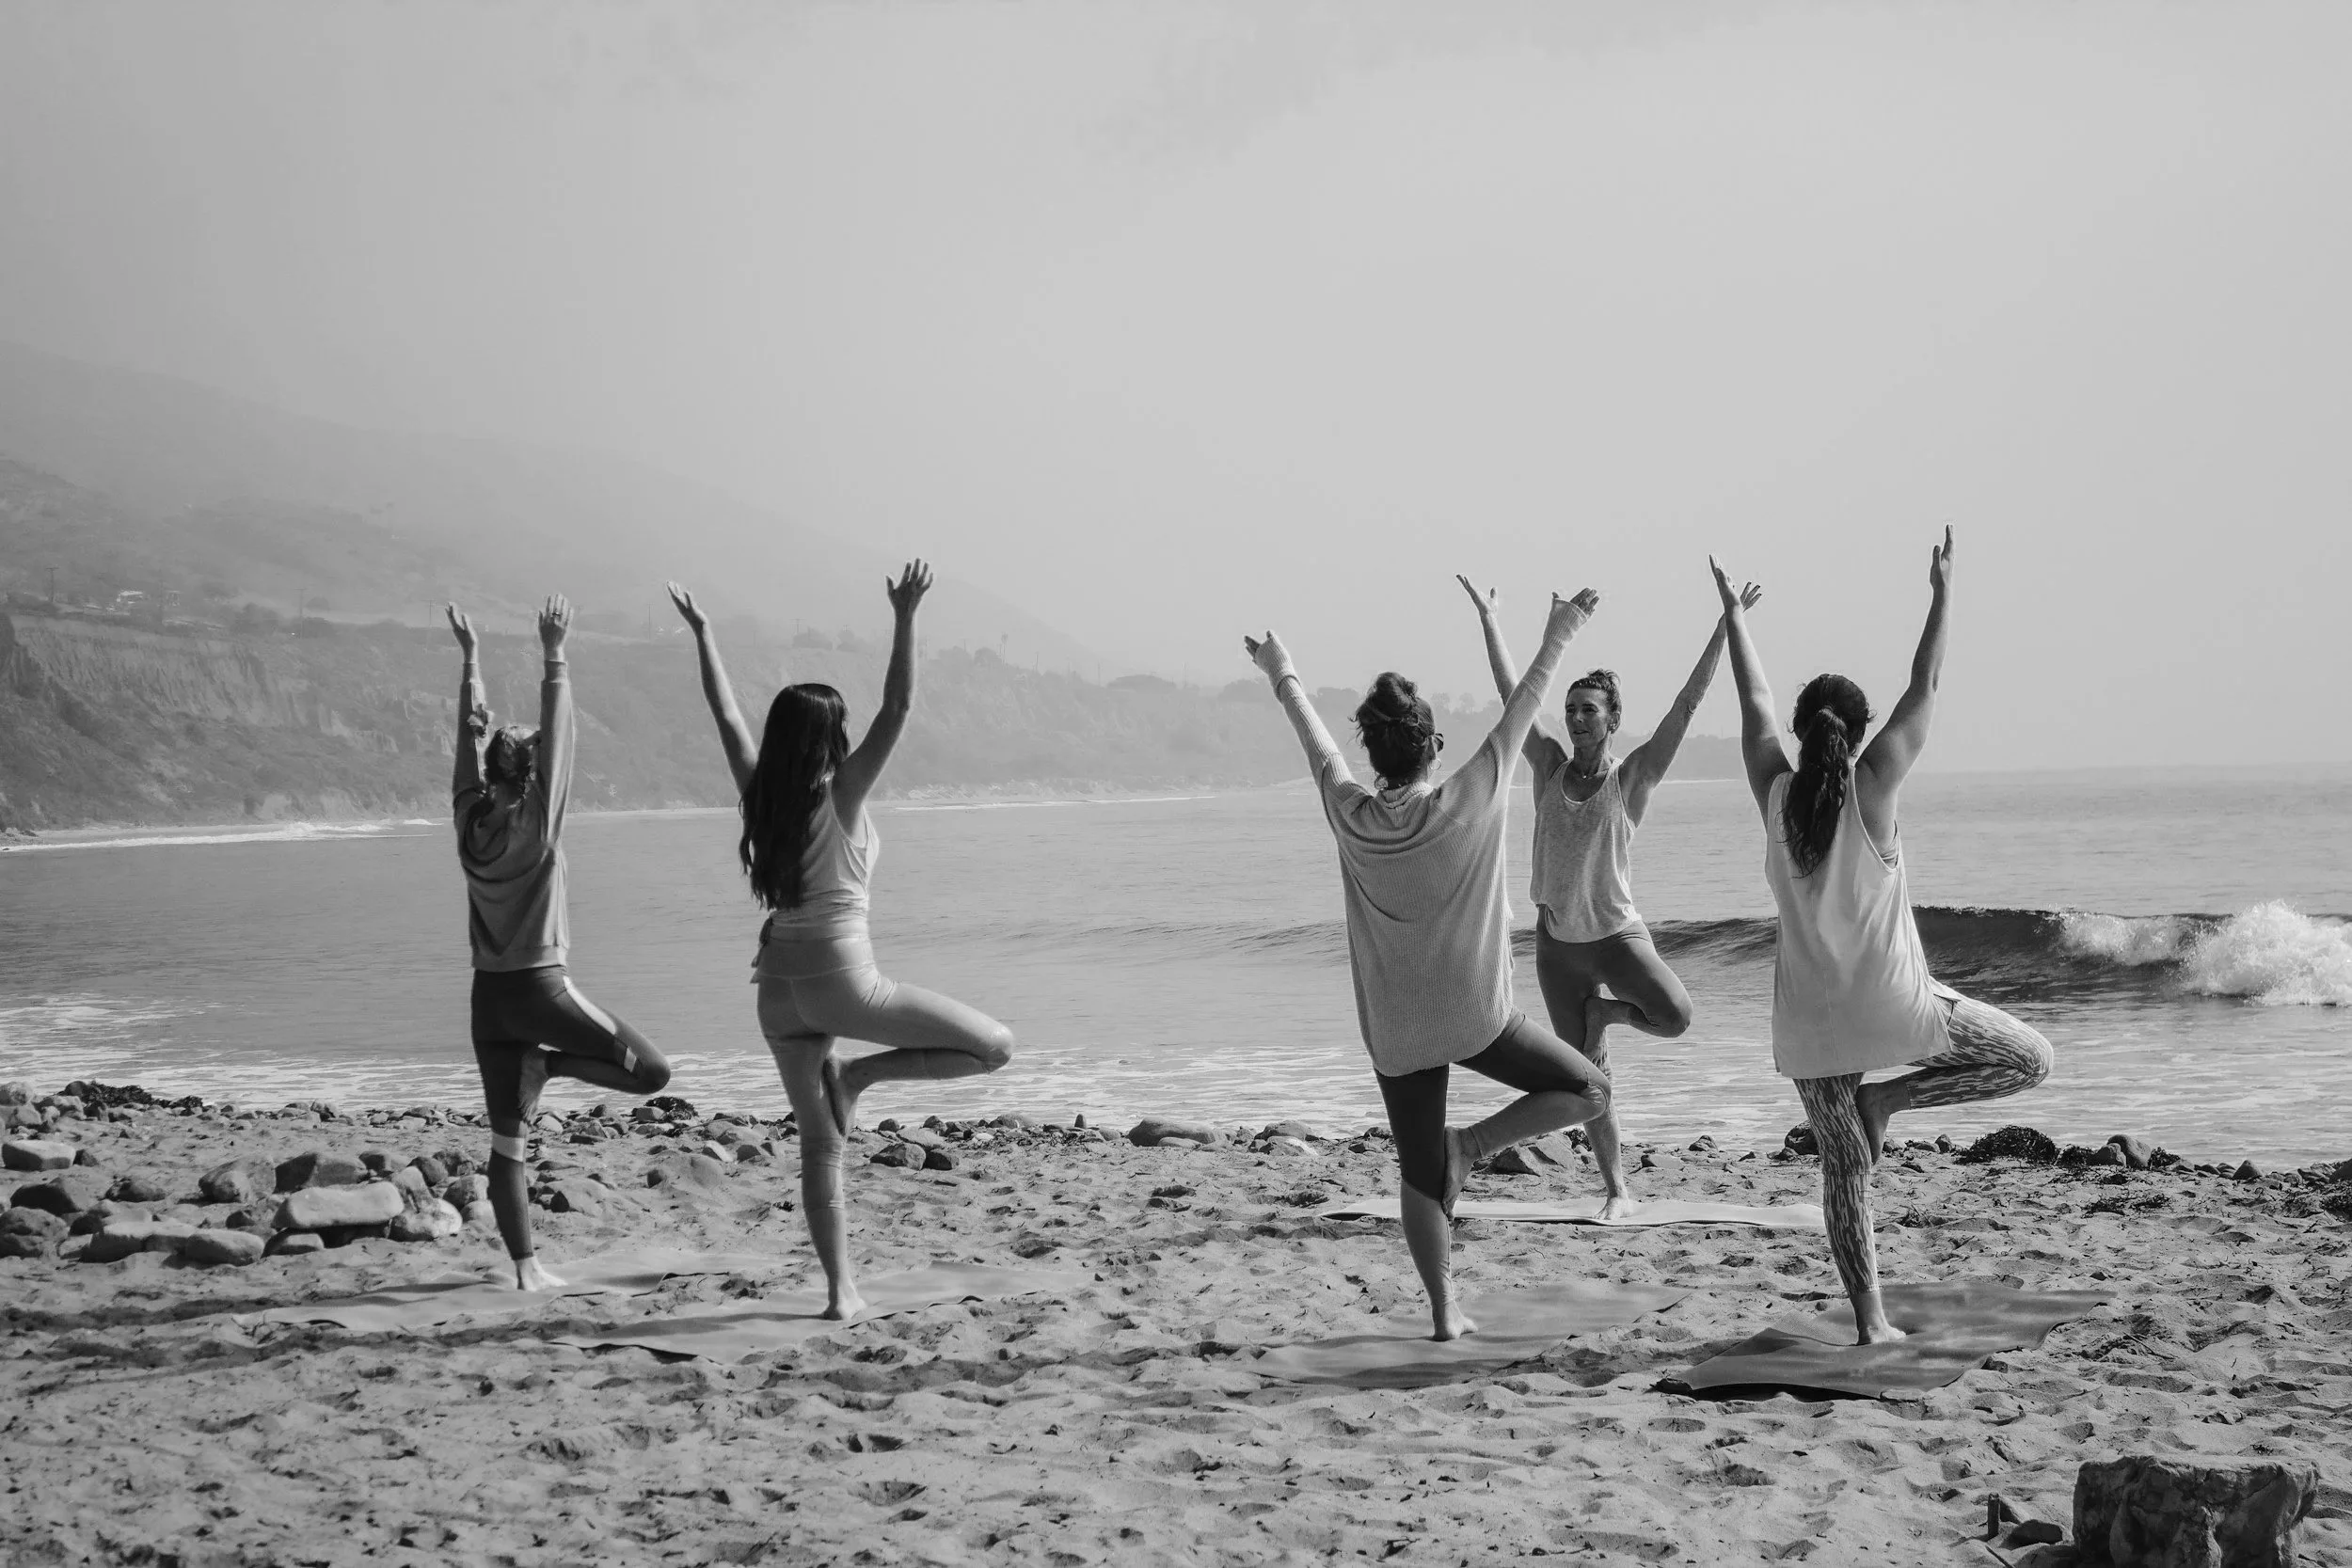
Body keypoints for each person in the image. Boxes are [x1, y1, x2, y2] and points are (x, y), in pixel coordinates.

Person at [1246, 588, 1613, 1342]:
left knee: (1417, 1174)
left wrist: (1281, 670)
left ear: (1375, 756)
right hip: (1477, 1016)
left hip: (1399, 1031)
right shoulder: (1469, 797)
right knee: (1592, 1090)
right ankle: (1472, 1146)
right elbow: (1528, 703)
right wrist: (1562, 629)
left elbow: (1315, 741)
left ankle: (1446, 1314)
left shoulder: (1348, 811)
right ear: (1434, 745)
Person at [1711, 530, 2052, 1343]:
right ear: (1860, 733)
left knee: (1845, 1171)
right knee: (2031, 1059)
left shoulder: (1774, 794)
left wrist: (1735, 619)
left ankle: (1872, 1324)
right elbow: (1926, 681)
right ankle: (1892, 1095)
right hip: (1897, 1009)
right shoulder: (1877, 785)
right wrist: (1942, 591)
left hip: (1812, 1027)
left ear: (1801, 733)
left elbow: (1752, 708)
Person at [669, 563, 1013, 1322]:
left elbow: (725, 715)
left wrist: (704, 634)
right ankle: (857, 1075)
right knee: (994, 1047)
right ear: (831, 737)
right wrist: (905, 615)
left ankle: (840, 1292)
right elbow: (899, 706)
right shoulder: (843, 792)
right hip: (840, 980)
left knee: (820, 1149)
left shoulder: (761, 794)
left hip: (775, 993)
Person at [1456, 575, 1762, 1217]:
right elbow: (1517, 695)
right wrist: (1489, 618)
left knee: (1675, 1015)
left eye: (1588, 708)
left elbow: (1686, 705)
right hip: (1558, 950)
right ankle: (1617, 1189)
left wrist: (1723, 626)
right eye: (1570, 708)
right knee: (1590, 1085)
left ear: (1613, 718)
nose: (1574, 717)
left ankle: (1608, 1017)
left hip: (1619, 939)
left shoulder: (1634, 778)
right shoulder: (1544, 766)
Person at [449, 596, 672, 1292]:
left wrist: (472, 660)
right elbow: (563, 732)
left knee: (507, 1144)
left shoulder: (466, 817)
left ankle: (525, 1268)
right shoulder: (540, 825)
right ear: (533, 776)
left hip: (489, 1001)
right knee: (651, 1073)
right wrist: (555, 653)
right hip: (542, 992)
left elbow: (465, 740)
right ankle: (553, 1070)